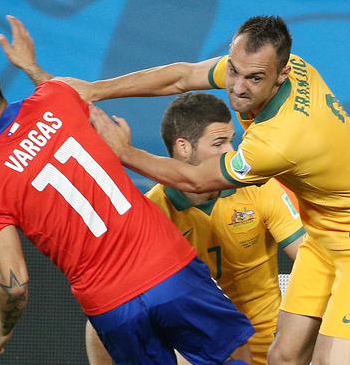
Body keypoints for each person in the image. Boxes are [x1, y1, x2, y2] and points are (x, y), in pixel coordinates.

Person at [1, 15, 350, 365]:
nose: (237, 87)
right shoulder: (277, 66)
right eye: (234, 71)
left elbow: (196, 180)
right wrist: (96, 89)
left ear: (280, 76)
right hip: (325, 236)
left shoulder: (279, 140)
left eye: (253, 79)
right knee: (283, 358)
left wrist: (124, 152)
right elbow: (183, 76)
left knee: (333, 363)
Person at [0, 27, 255, 365]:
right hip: (168, 268)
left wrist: (4, 324)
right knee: (234, 352)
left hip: (112, 306)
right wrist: (31, 67)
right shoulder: (56, 97)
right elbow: (64, 91)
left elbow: (15, 284)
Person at [83, 92, 305, 365]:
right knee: (102, 319)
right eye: (218, 143)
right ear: (184, 148)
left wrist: (298, 331)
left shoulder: (261, 188)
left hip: (274, 348)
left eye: (231, 141)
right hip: (201, 350)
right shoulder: (151, 212)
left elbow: (308, 257)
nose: (230, 153)